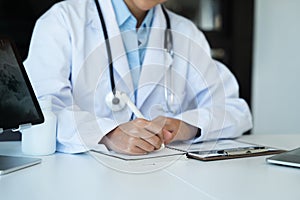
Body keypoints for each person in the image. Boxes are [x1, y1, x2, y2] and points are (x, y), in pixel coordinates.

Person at [24, 0, 253, 155]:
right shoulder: (63, 19)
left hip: (163, 182)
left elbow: (234, 110)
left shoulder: (186, 33)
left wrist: (186, 126)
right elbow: (40, 109)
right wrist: (108, 134)